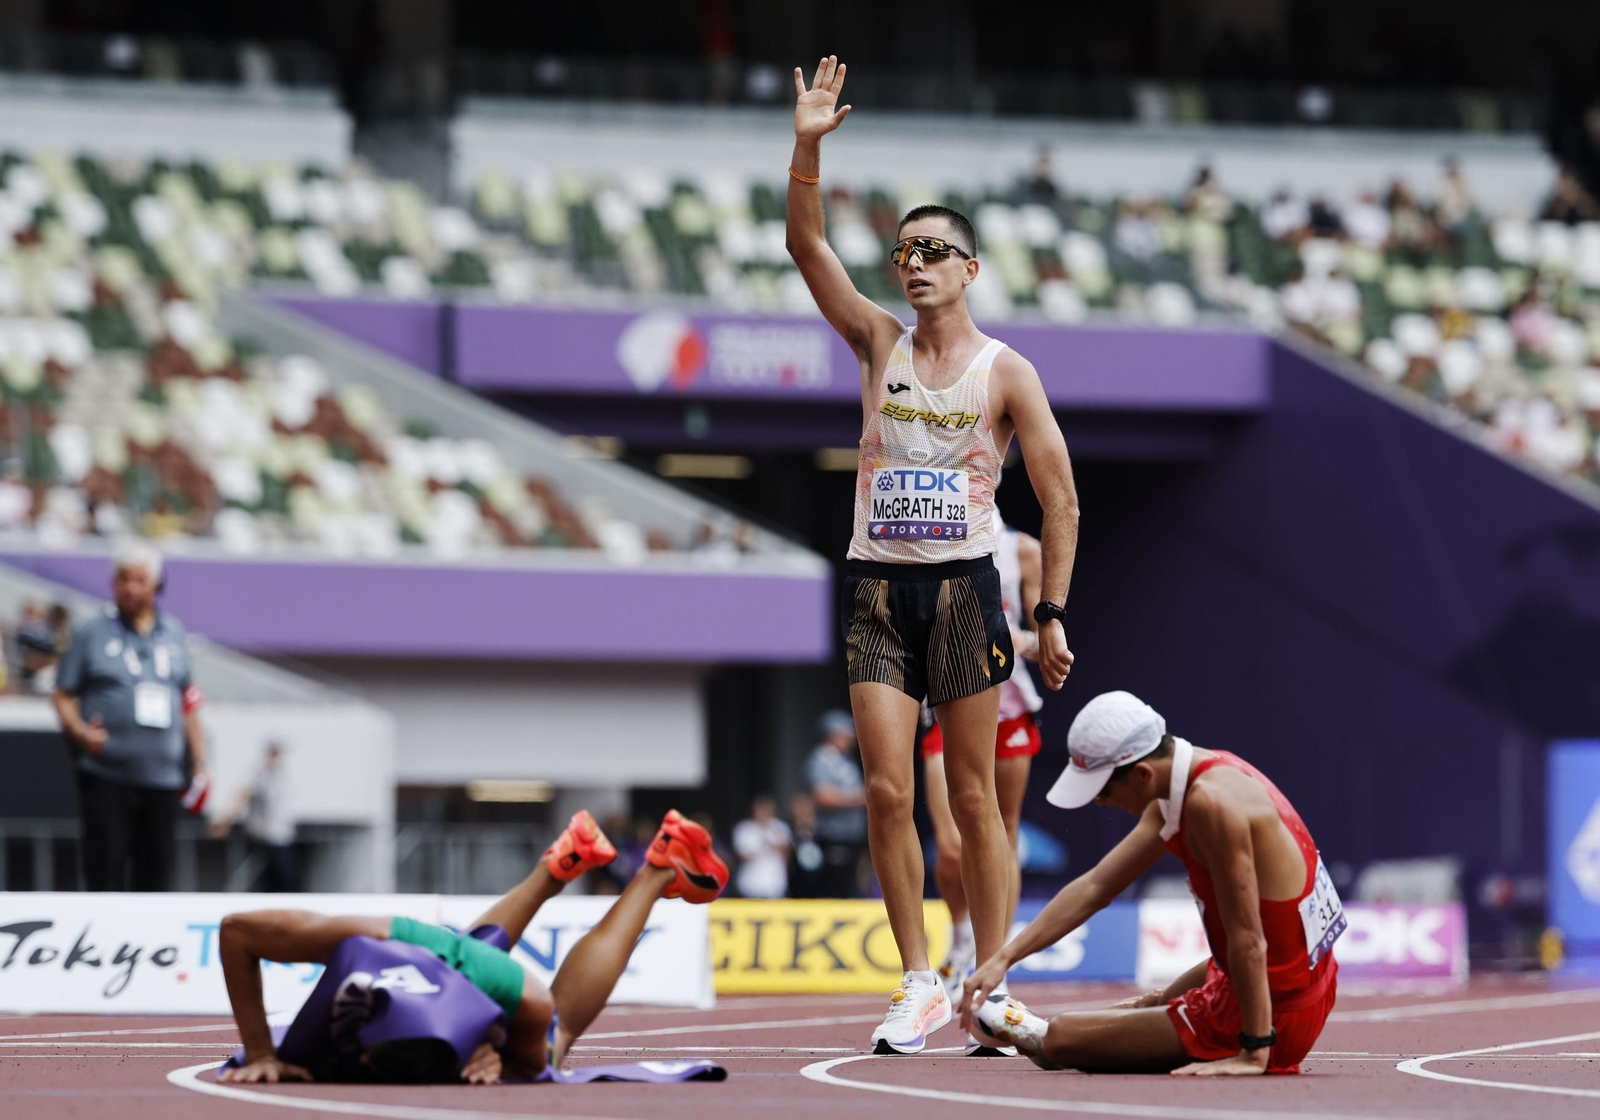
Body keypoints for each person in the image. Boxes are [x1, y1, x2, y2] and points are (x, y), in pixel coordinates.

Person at [787, 55, 1079, 1055]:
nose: (913, 263)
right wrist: (807, 150)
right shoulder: (878, 342)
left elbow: (1060, 497)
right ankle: (917, 980)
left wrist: (1050, 611)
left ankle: (989, 982)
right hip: (878, 587)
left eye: (934, 250)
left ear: (970, 269)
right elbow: (806, 245)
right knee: (886, 791)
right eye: (904, 250)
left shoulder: (1008, 372)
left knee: (972, 801)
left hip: (964, 592)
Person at [961, 691, 1343, 1077]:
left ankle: (1024, 1029)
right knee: (1159, 1000)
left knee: (1059, 1040)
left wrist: (1254, 1051)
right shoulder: (1200, 776)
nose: (1099, 802)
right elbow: (1096, 887)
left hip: (1278, 1016)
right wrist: (1002, 959)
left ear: (1142, 773)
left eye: (1103, 789)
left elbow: (1247, 939)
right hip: (1296, 978)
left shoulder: (1210, 806)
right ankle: (1107, 1028)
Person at [218, 809, 728, 1085]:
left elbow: (539, 1010)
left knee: (555, 1040)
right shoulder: (358, 940)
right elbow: (236, 931)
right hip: (407, 940)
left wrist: (512, 1057)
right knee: (461, 955)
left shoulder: (503, 1006)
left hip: (468, 977)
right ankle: (559, 866)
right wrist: (261, 1053)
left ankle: (658, 870)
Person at [921, 514, 1044, 1032]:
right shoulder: (930, 532)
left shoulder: (1023, 550)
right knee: (951, 845)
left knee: (1002, 833)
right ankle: (961, 938)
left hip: (1007, 702)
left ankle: (995, 958)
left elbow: (1041, 631)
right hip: (944, 698)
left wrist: (1022, 638)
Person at [52, 542, 208, 891]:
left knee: (156, 878)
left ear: (156, 586)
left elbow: (189, 701)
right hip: (107, 775)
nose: (131, 589)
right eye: (124, 579)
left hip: (163, 779)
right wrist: (79, 731)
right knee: (104, 872)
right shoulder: (92, 632)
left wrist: (199, 763)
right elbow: (62, 694)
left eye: (140, 580)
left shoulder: (174, 633)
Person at [212, 740, 299, 892]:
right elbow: (242, 796)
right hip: (264, 838)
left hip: (282, 836)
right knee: (271, 879)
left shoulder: (284, 774)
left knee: (285, 878)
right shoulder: (260, 774)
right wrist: (226, 821)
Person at [806, 710, 868, 898]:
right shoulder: (822, 759)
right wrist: (859, 798)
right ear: (832, 734)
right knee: (834, 887)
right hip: (834, 835)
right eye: (845, 735)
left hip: (852, 835)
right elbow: (822, 796)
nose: (850, 741)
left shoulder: (845, 761)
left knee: (851, 885)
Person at [732, 795, 793, 899]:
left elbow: (788, 853)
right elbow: (741, 855)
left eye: (766, 809)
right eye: (760, 809)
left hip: (775, 885)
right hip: (750, 885)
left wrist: (776, 846)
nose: (763, 812)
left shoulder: (781, 827)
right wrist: (761, 847)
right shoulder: (744, 828)